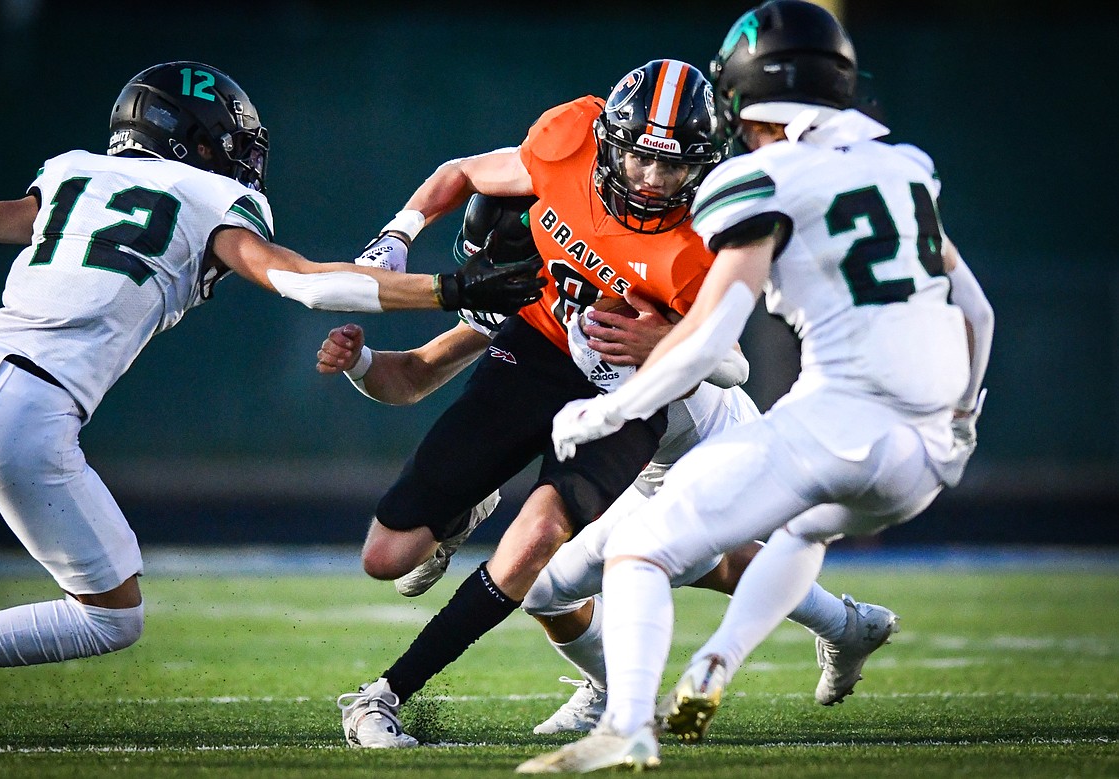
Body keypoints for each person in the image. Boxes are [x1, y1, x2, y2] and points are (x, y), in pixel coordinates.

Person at [519, 1, 994, 772]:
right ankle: (723, 660)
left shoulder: (760, 176)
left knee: (638, 549)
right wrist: (963, 420)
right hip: (926, 456)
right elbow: (978, 310)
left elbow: (708, 337)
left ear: (745, 91)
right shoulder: (906, 168)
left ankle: (629, 724)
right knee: (804, 534)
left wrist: (611, 406)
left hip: (832, 426)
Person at [0, 60, 543, 677]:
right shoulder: (211, 196)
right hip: (25, 413)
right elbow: (303, 283)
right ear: (194, 140)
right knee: (110, 618)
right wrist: (449, 289)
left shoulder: (73, 172)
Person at [323, 194, 898, 744]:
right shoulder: (528, 299)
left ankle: (843, 627)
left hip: (701, 445)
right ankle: (617, 685)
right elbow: (421, 370)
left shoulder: (623, 280)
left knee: (683, 560)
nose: (493, 277)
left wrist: (667, 340)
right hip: (636, 457)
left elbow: (732, 364)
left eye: (501, 263)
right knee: (547, 590)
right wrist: (364, 363)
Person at [331, 58, 734, 749]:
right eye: (640, 157)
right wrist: (398, 233)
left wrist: (662, 340)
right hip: (544, 347)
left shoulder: (707, 237)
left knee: (541, 536)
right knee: (385, 555)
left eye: (673, 168)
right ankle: (460, 509)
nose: (652, 180)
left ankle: (383, 693)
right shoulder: (566, 141)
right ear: (608, 139)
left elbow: (729, 359)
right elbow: (462, 172)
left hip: (629, 392)